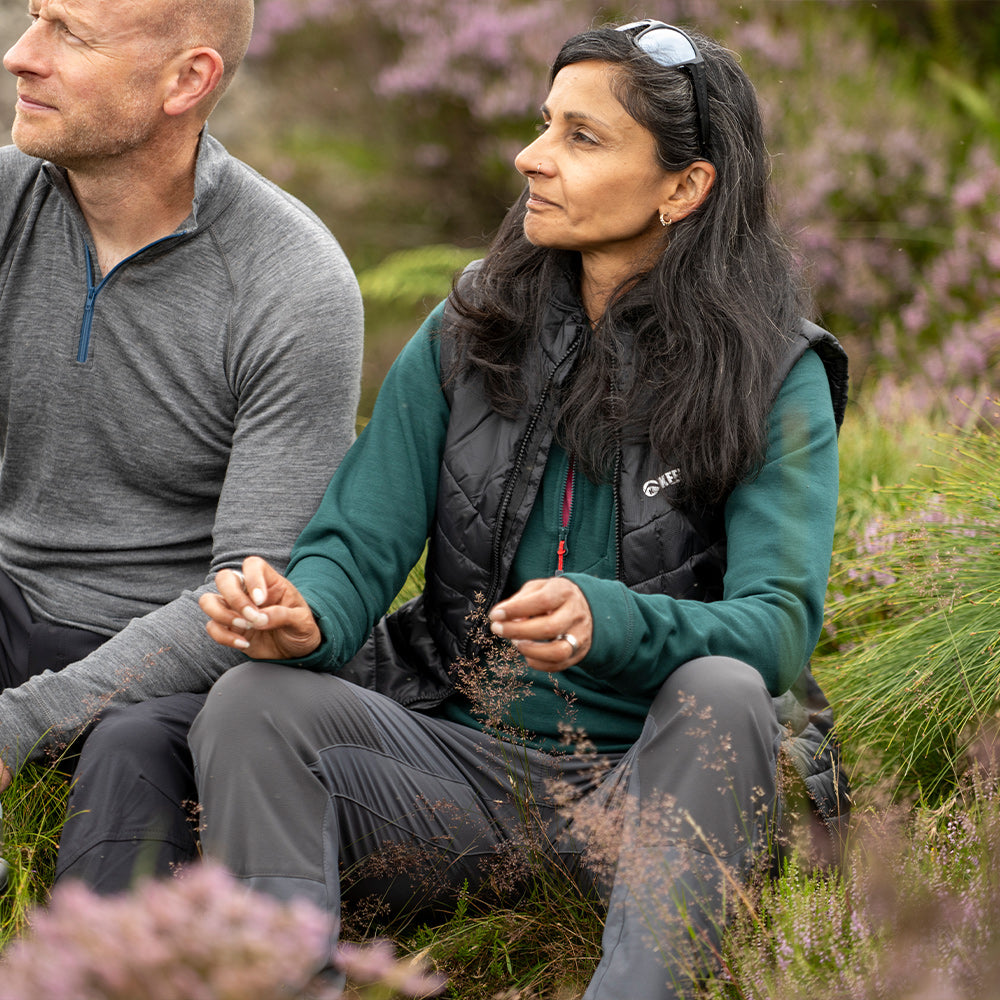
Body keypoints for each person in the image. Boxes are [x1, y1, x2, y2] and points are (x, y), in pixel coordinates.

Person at [195, 19, 850, 998]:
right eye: (545, 124)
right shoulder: (469, 328)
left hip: (663, 792)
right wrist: (306, 614)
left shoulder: (772, 373)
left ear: (686, 186)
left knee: (723, 691)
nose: (530, 157)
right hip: (464, 774)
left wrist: (611, 617)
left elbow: (777, 631)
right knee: (253, 703)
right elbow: (354, 543)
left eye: (582, 137)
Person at [0, 0, 364, 891]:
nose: (21, 55)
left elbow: (249, 596)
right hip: (9, 593)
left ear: (187, 80)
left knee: (129, 796)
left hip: (162, 664)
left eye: (69, 35)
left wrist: (19, 725)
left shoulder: (292, 284)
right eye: (35, 17)